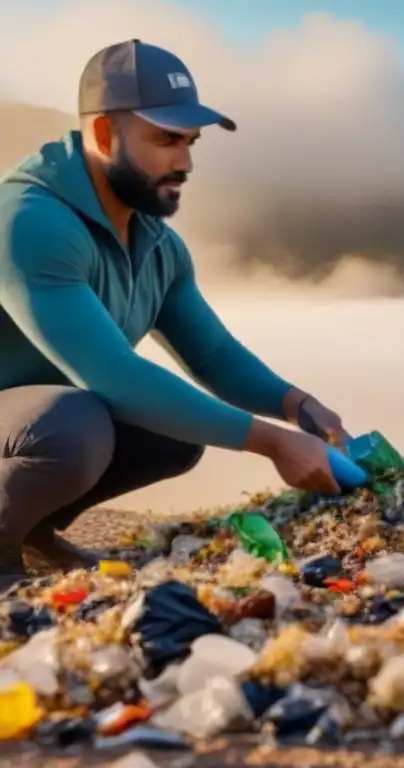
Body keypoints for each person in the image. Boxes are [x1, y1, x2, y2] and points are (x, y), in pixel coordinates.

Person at [0, 40, 347, 590]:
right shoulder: (28, 220)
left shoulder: (156, 243)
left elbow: (211, 353)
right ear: (104, 134)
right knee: (73, 427)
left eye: (190, 142)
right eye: (165, 140)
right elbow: (112, 374)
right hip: (36, 423)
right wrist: (274, 443)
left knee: (178, 434)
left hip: (26, 423)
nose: (184, 162)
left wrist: (297, 406)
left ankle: (31, 532)